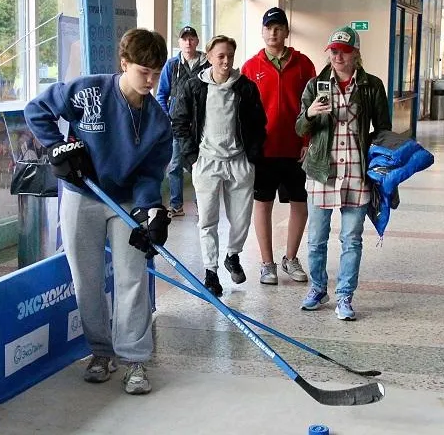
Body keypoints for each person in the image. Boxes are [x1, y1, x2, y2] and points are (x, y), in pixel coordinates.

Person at [24, 28, 172, 395]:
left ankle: (135, 360)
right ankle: (101, 353)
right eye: (143, 71)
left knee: (132, 277)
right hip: (81, 193)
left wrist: (149, 211)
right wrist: (57, 148)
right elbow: (36, 110)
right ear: (124, 64)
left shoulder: (157, 120)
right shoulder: (88, 91)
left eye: (157, 72)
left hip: (123, 202)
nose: (151, 81)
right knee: (86, 278)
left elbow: (150, 173)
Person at [295, 26, 390, 321]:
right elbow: (300, 128)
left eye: (343, 51)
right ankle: (317, 287)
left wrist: (380, 163)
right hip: (322, 169)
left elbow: (384, 130)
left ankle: (345, 295)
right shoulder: (316, 84)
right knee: (317, 237)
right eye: (333, 51)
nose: (337, 56)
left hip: (356, 171)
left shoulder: (371, 86)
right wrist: (310, 113)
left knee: (351, 238)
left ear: (355, 54)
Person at [170, 35, 266, 297]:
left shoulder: (245, 87)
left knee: (241, 219)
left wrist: (252, 155)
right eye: (220, 56)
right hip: (207, 162)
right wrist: (192, 158)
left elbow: (259, 123)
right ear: (209, 56)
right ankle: (211, 272)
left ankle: (232, 255)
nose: (226, 61)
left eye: (230, 56)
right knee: (207, 221)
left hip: (239, 162)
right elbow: (179, 121)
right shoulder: (193, 87)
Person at [241, 7, 316, 285]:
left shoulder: (304, 64)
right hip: (264, 149)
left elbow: (312, 106)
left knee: (300, 204)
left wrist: (308, 141)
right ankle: (266, 263)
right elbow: (244, 113)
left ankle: (291, 258)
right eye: (269, 27)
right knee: (263, 205)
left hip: (296, 148)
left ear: (286, 31)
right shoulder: (251, 67)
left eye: (278, 27)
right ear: (262, 32)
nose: (273, 32)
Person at [156, 26, 210, 218]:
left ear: (197, 41)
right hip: (177, 126)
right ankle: (176, 204)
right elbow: (161, 94)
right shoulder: (171, 65)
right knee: (175, 165)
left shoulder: (207, 65)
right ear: (179, 43)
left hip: (202, 125)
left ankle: (201, 204)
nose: (188, 42)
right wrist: (168, 117)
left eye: (191, 38)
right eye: (184, 39)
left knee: (201, 165)